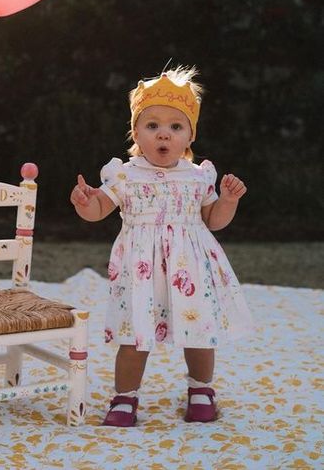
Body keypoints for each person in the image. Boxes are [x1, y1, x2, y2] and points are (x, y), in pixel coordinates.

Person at [70, 66, 253, 426]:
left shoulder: (199, 176)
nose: (163, 134)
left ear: (189, 137)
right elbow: (99, 210)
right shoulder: (124, 174)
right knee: (136, 333)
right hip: (141, 268)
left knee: (198, 330)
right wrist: (84, 201)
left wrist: (228, 202)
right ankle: (125, 397)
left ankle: (201, 389)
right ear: (136, 133)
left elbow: (212, 220)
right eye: (152, 125)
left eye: (175, 126)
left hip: (191, 265)